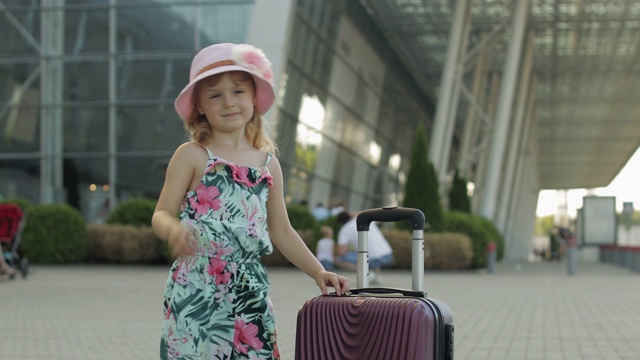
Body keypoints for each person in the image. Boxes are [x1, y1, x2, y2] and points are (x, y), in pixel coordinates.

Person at [152, 42, 349, 359]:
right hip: (197, 285)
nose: (228, 102)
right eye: (215, 95)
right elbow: (161, 213)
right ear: (200, 106)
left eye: (238, 92)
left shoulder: (268, 165)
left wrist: (317, 271)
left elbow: (282, 230)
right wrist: (173, 230)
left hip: (249, 288)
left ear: (254, 99)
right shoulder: (192, 156)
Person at [335, 211, 394, 285]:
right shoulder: (364, 219)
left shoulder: (345, 229)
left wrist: (350, 248)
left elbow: (341, 252)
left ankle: (367, 274)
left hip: (372, 258)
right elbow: (376, 218)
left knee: (340, 259)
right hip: (388, 254)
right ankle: (376, 276)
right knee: (370, 252)